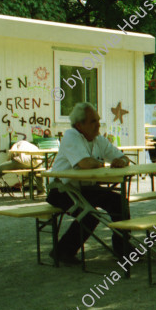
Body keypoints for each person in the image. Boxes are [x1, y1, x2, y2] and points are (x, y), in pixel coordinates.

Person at [46, 102, 132, 264]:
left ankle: (123, 248)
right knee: (90, 215)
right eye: (93, 121)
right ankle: (62, 252)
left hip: (86, 188)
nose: (98, 125)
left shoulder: (98, 139)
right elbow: (85, 163)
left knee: (118, 202)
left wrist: (121, 161)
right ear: (80, 125)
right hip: (61, 190)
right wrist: (101, 163)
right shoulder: (71, 136)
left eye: (98, 120)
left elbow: (123, 157)